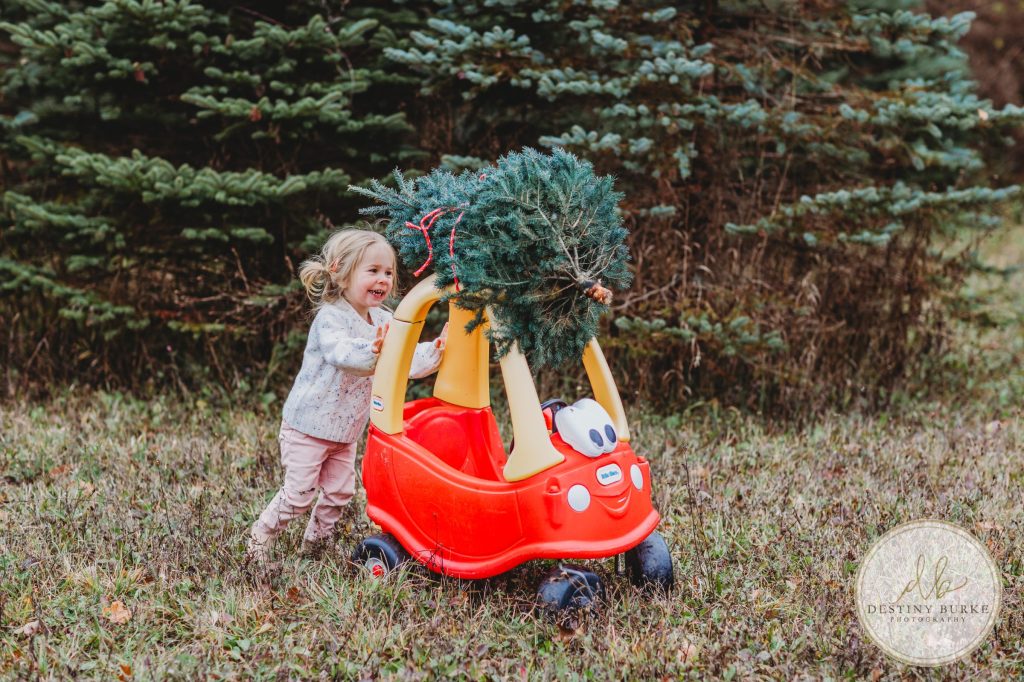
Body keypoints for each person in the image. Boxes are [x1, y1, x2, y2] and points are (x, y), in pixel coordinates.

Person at [247, 228, 447, 565]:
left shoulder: (385, 319)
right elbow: (344, 355)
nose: (383, 279)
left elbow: (405, 359)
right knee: (299, 494)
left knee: (340, 493)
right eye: (373, 271)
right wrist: (374, 349)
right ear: (342, 273)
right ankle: (261, 536)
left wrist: (437, 350)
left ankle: (315, 546)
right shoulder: (331, 318)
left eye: (388, 272)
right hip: (308, 427)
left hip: (345, 432)